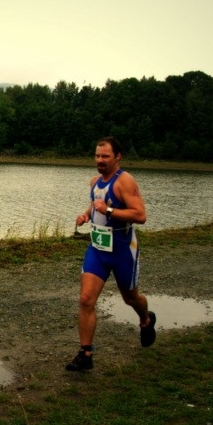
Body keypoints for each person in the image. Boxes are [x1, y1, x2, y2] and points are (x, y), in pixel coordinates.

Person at [66, 136, 156, 371]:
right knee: (86, 299)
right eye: (97, 156)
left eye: (105, 156)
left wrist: (108, 210)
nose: (100, 160)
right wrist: (86, 215)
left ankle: (146, 320)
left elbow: (140, 215)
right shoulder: (95, 181)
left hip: (122, 251)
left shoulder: (125, 182)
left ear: (117, 157)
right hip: (97, 249)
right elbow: (95, 204)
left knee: (131, 298)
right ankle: (85, 354)